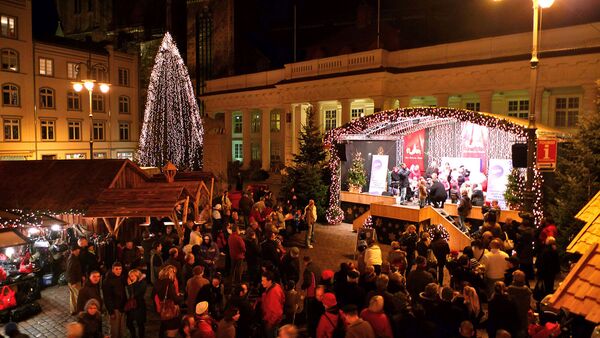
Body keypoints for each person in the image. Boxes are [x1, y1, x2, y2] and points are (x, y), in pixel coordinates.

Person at [153, 265, 182, 338]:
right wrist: (180, 297)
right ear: (169, 273)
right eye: (173, 272)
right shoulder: (169, 284)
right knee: (171, 331)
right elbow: (175, 299)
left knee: (163, 326)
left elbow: (152, 295)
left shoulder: (158, 282)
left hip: (162, 309)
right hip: (170, 309)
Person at [507, 270, 534, 338]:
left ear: (514, 279)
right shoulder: (527, 290)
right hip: (523, 316)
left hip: (512, 316)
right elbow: (532, 304)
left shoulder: (509, 289)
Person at [103, 262, 127, 338]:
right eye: (116, 269)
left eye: (120, 269)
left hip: (122, 307)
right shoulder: (107, 281)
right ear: (112, 269)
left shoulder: (122, 278)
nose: (118, 271)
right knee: (114, 331)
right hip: (114, 309)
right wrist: (111, 312)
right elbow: (107, 298)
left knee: (122, 329)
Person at [261, 271, 285, 338]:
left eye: (263, 281)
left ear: (270, 281)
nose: (261, 282)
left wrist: (270, 323)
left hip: (271, 322)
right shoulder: (274, 286)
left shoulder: (274, 292)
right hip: (269, 319)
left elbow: (277, 312)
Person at [125, 269, 147, 338]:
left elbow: (134, 295)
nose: (131, 278)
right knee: (129, 323)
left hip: (139, 306)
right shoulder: (131, 283)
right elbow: (128, 295)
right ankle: (133, 335)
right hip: (131, 307)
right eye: (130, 276)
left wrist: (131, 285)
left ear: (137, 275)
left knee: (140, 324)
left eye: (132, 276)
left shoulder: (142, 283)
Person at [67, 245, 83, 315]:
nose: (79, 251)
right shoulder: (73, 259)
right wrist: (73, 282)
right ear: (74, 251)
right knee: (78, 296)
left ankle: (73, 310)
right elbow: (70, 271)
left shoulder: (73, 258)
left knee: (73, 296)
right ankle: (80, 311)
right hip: (74, 281)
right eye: (78, 250)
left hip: (71, 281)